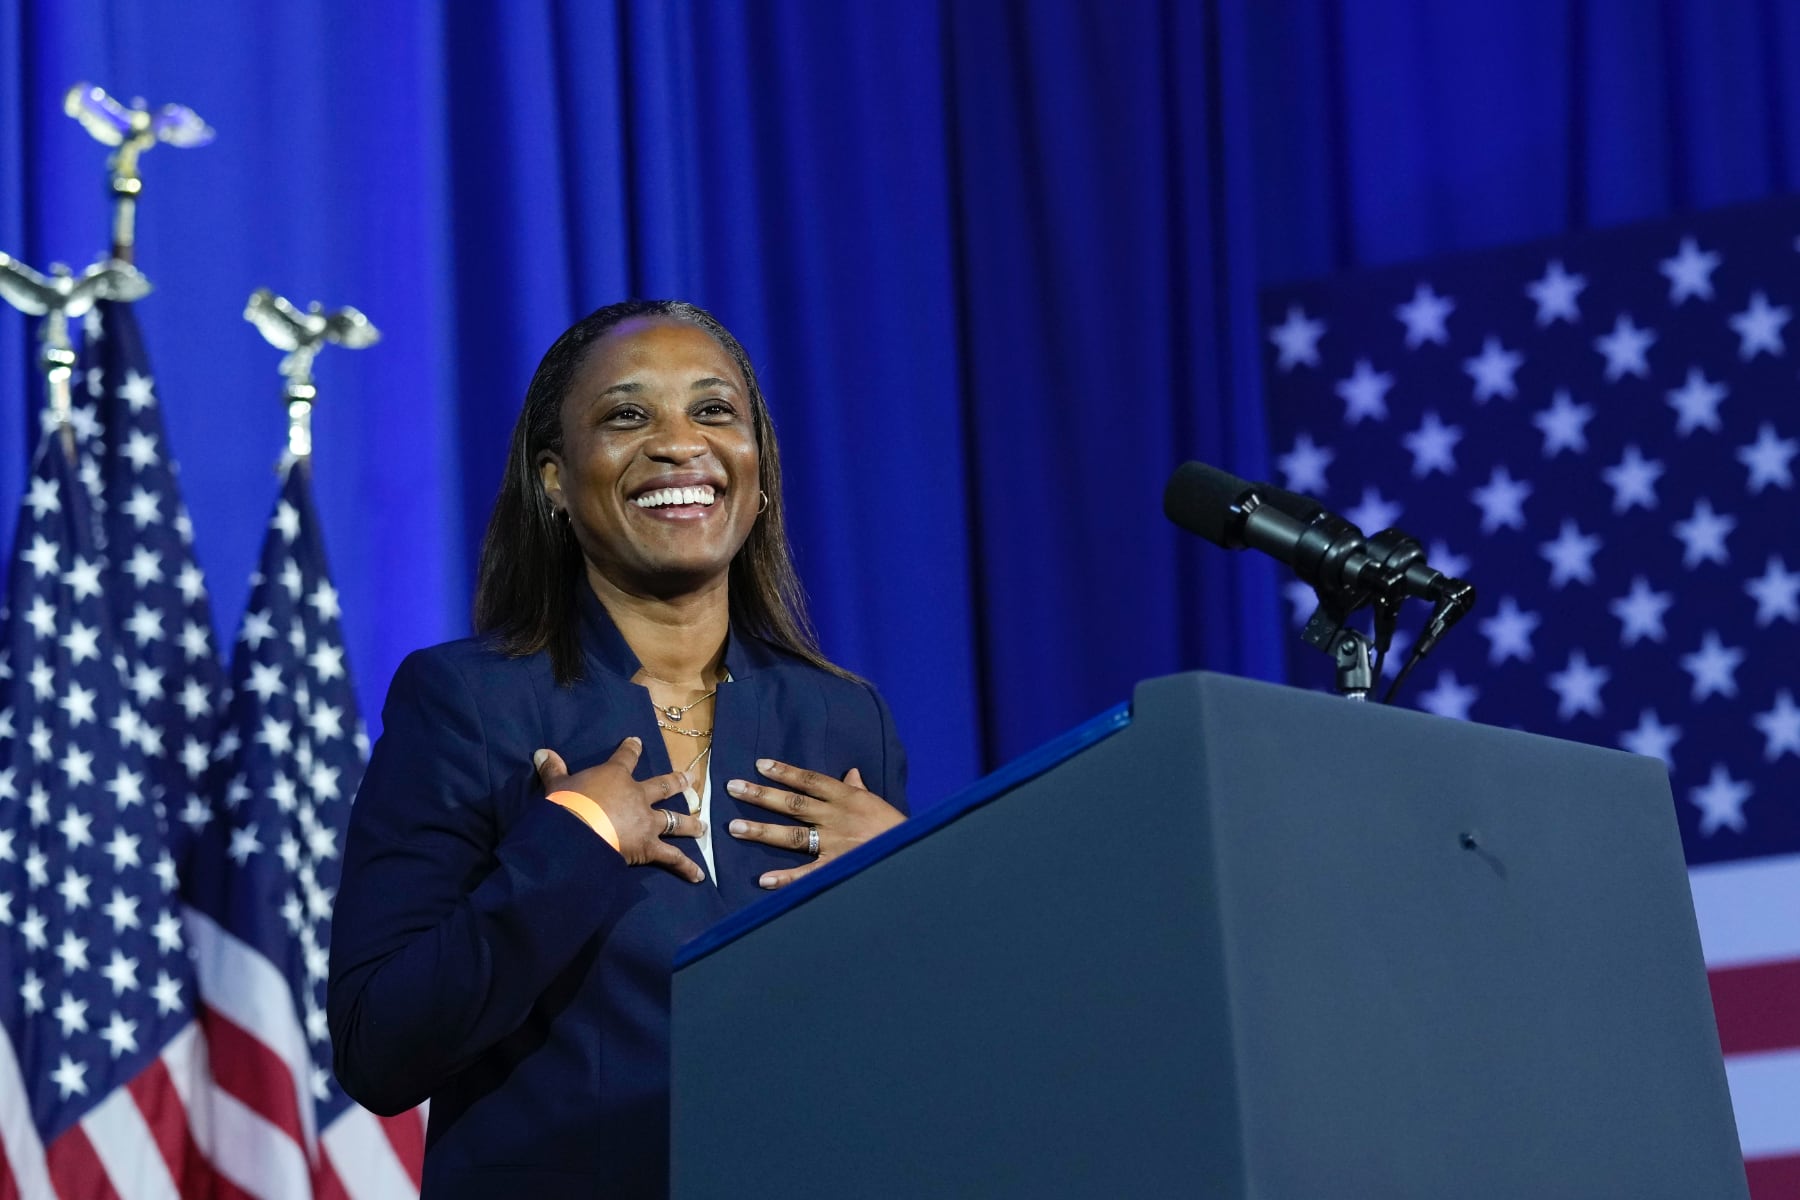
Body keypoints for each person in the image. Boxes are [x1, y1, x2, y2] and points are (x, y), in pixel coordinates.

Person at [327, 300, 909, 1198]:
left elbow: (903, 1043)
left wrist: (914, 892)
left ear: (760, 475)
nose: (681, 444)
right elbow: (380, 1049)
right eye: (628, 415)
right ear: (555, 480)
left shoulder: (844, 720)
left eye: (715, 411)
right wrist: (570, 843)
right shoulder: (472, 702)